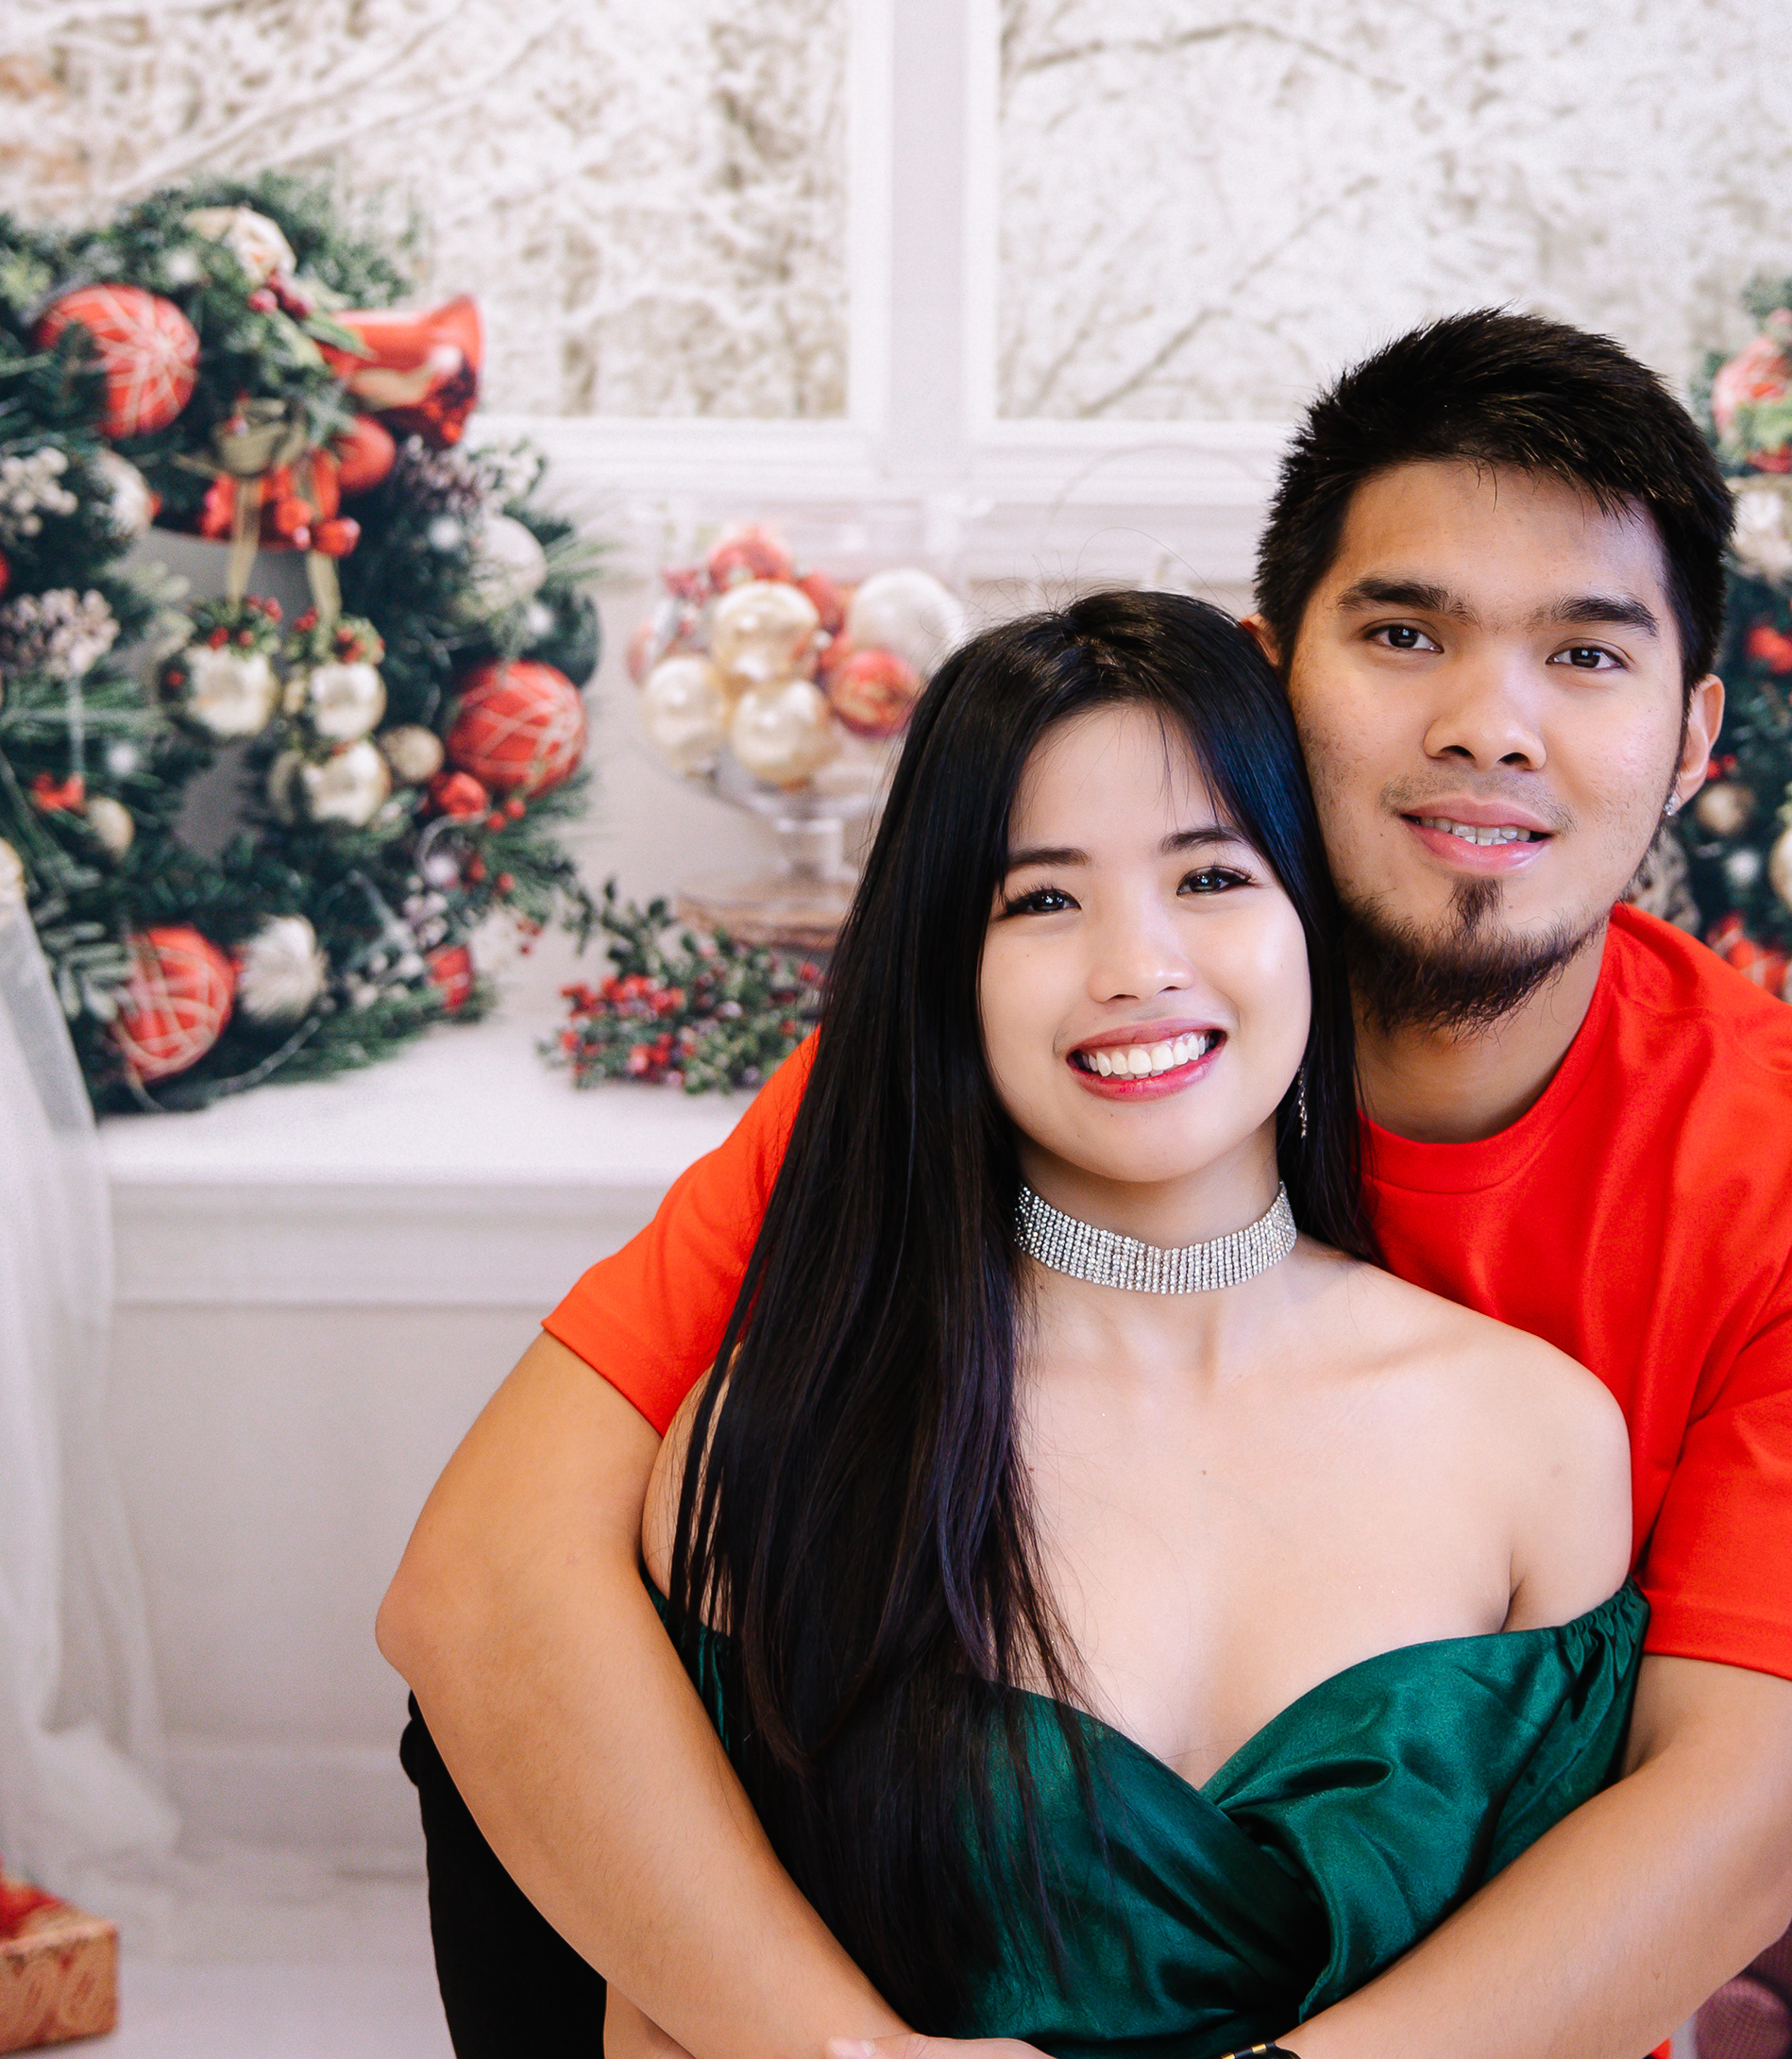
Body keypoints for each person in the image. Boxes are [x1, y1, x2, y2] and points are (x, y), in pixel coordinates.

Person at [382, 310, 1792, 2059]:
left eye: (1587, 655)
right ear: (1269, 675)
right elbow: (489, 1588)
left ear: (1695, 735)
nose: (1489, 726)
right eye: (1405, 633)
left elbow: (1732, 1812)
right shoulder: (1026, 1052)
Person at [614, 589, 1640, 2057]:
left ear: (1313, 919)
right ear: (944, 973)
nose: (1137, 966)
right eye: (1042, 900)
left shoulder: (1539, 1440)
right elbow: (661, 2019)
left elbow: (1572, 2005)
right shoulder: (776, 1445)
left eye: (1211, 875)